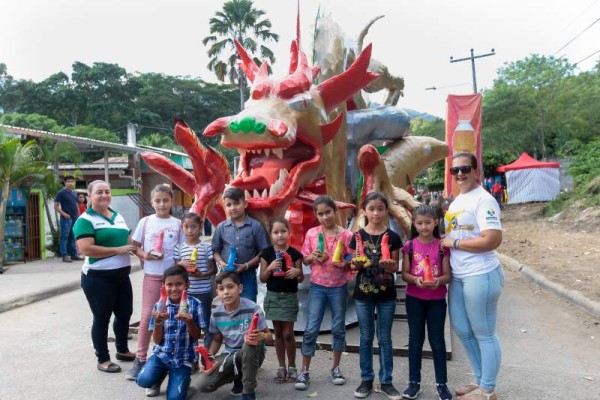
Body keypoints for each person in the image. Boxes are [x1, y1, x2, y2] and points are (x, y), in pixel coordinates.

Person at [441, 152, 503, 400]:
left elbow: (493, 239)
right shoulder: (458, 201)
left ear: (476, 171)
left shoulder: (484, 200)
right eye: (454, 170)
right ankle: (479, 380)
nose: (459, 174)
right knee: (462, 328)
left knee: (484, 331)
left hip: (481, 273)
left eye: (465, 168)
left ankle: (487, 389)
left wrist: (454, 243)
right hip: (459, 275)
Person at [73, 180, 139, 373]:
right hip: (98, 278)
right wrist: (118, 250)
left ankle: (122, 350)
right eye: (99, 192)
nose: (104, 195)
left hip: (121, 275)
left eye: (107, 192)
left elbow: (129, 242)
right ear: (89, 196)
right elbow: (87, 249)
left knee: (125, 313)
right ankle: (103, 358)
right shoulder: (85, 220)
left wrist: (146, 251)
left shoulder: (117, 216)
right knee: (102, 318)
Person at [295, 195, 354, 391]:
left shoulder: (346, 235)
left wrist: (342, 262)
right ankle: (304, 371)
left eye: (328, 212)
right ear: (316, 215)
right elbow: (304, 260)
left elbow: (352, 260)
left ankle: (335, 368)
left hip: (338, 287)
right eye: (320, 214)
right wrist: (311, 257)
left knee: (338, 327)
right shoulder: (312, 233)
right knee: (311, 328)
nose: (325, 217)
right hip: (317, 286)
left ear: (335, 212)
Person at [126, 184, 183, 387]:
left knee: (172, 317)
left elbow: (182, 250)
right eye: (157, 201)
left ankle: (174, 357)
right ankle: (140, 359)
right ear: (152, 202)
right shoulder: (146, 221)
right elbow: (134, 245)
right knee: (147, 317)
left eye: (165, 200)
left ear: (171, 201)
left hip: (173, 279)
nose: (161, 204)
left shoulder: (177, 224)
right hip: (152, 275)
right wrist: (145, 255)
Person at [349, 191, 402, 399]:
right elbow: (354, 264)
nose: (376, 213)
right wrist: (355, 264)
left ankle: (387, 381)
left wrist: (390, 266)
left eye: (380, 209)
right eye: (371, 209)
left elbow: (394, 266)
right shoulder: (358, 237)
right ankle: (366, 380)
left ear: (386, 210)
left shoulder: (393, 237)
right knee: (365, 337)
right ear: (364, 211)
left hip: (386, 294)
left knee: (385, 338)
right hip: (363, 293)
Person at [195, 271, 275, 400]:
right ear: (218, 292)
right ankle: (238, 378)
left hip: (253, 354)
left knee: (249, 344)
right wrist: (208, 357)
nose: (226, 292)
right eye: (221, 289)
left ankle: (248, 391)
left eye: (230, 287)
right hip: (230, 356)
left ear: (240, 288)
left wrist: (262, 336)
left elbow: (270, 338)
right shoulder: (216, 314)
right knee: (203, 384)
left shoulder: (252, 308)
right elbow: (217, 339)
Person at [400, 205, 452, 400]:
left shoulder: (442, 246)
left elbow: (448, 275)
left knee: (437, 342)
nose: (424, 227)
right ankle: (414, 383)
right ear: (414, 223)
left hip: (437, 300)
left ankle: (442, 384)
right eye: (419, 223)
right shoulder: (409, 246)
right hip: (414, 299)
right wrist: (416, 280)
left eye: (428, 222)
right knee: (415, 341)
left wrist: (438, 281)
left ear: (436, 222)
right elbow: (405, 274)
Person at [136, 266, 204, 400]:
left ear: (187, 285)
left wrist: (189, 322)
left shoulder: (195, 304)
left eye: (179, 284)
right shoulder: (159, 306)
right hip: (162, 354)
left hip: (183, 358)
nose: (174, 288)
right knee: (142, 380)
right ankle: (157, 378)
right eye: (170, 285)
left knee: (175, 398)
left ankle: (184, 383)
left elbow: (196, 337)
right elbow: (156, 340)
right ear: (163, 286)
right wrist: (158, 322)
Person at [259, 217, 303, 384]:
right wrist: (270, 268)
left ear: (289, 232)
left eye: (283, 231)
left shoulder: (295, 254)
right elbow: (263, 279)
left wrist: (297, 273)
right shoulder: (266, 254)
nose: (280, 235)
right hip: (273, 297)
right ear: (270, 235)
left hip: (289, 297)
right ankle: (281, 366)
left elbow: (300, 279)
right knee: (277, 332)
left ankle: (292, 366)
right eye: (276, 232)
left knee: (288, 333)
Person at [211, 187, 270, 302]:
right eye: (228, 205)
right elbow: (215, 251)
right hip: (226, 276)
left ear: (245, 204)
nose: (233, 208)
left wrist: (246, 265)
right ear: (225, 207)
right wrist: (222, 264)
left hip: (248, 276)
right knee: (229, 307)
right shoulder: (221, 228)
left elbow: (264, 251)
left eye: (237, 203)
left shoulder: (256, 226)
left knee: (248, 307)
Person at [174, 212, 216, 348]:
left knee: (206, 325)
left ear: (200, 227)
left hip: (204, 292)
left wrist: (200, 274)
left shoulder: (206, 247)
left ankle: (208, 355)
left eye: (193, 227)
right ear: (182, 228)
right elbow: (176, 271)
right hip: (186, 294)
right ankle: (191, 356)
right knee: (189, 324)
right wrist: (180, 264)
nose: (190, 230)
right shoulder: (179, 248)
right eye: (186, 227)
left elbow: (213, 270)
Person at [55, 175, 83, 262]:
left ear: (74, 182)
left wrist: (79, 216)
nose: (70, 183)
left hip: (75, 218)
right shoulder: (61, 193)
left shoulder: (74, 193)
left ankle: (74, 254)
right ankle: (65, 255)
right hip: (66, 219)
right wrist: (64, 214)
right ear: (65, 182)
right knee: (64, 236)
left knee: (73, 236)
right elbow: (56, 206)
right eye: (68, 181)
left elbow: (76, 205)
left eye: (72, 181)